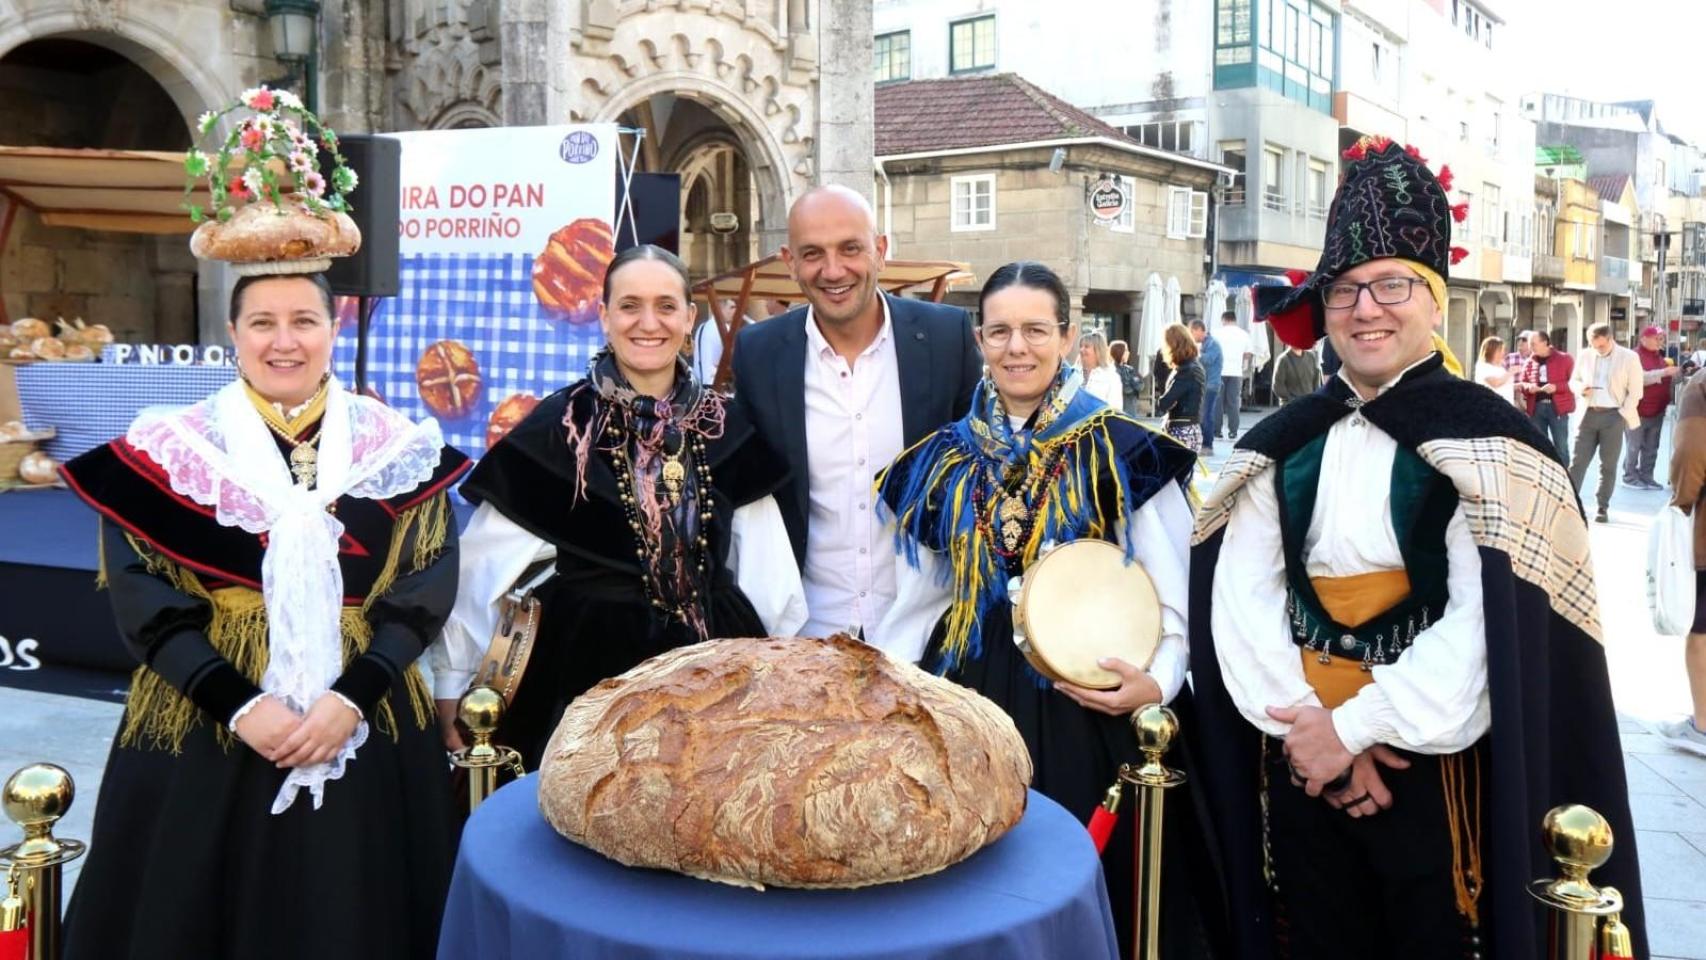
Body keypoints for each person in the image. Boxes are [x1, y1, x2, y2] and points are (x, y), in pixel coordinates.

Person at [1187, 135, 1644, 960]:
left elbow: (1481, 626)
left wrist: (1356, 729)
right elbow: (1243, 600)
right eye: (1347, 291)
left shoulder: (1495, 444)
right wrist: (1317, 739)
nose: (1367, 309)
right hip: (1297, 753)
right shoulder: (1283, 440)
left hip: (1431, 767)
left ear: (1435, 300)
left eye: (1393, 285)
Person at [59, 268, 471, 959]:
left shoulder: (399, 449)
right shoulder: (170, 450)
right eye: (262, 323)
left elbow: (424, 588)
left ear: (335, 330)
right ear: (232, 335)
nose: (285, 342)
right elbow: (145, 599)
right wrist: (244, 708)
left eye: (305, 321)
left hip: (367, 722)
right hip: (205, 722)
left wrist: (352, 698)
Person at [872, 261, 1206, 958]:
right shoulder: (941, 461)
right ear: (980, 339)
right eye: (999, 331)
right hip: (971, 699)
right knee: (972, 882)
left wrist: (1158, 684)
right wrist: (893, 691)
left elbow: (1177, 591)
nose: (1016, 347)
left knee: (1091, 879)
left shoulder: (1126, 450)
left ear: (1067, 336)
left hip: (1089, 703)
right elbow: (920, 598)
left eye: (1034, 330)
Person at [430, 245, 807, 767]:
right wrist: (453, 679)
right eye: (629, 306)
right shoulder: (559, 428)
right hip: (584, 674)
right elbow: (482, 571)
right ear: (604, 316)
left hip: (717, 674)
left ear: (689, 318)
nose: (648, 322)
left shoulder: (727, 427)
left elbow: (769, 573)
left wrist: (774, 680)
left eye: (666, 306)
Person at [731, 185, 980, 639]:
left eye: (850, 248)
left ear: (880, 250)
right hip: (806, 632)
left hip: (923, 629)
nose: (833, 270)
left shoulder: (946, 339)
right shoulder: (758, 353)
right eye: (813, 254)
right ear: (790, 263)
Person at [1665, 369, 1706, 756]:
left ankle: (1703, 725)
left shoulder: (1702, 385)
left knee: (1702, 629)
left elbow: (1691, 452)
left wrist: (1682, 503)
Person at [1568, 323, 1643, 523]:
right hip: (1587, 414)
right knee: (1577, 462)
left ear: (1610, 339)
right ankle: (1568, 503)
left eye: (1601, 346)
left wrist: (1623, 413)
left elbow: (1636, 391)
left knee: (1608, 465)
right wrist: (1580, 388)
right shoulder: (1585, 355)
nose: (1597, 349)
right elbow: (1572, 380)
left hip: (1613, 416)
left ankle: (1602, 507)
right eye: (1593, 346)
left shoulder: (1629, 357)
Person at [1624, 325, 1679, 490]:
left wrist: (1679, 372)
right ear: (1643, 339)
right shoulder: (1633, 356)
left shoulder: (1659, 357)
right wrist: (1663, 372)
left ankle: (1647, 476)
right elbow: (1637, 378)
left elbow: (1666, 378)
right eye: (1657, 338)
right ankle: (1629, 477)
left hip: (1657, 411)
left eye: (1661, 338)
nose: (1660, 341)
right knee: (1634, 446)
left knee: (1652, 447)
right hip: (1637, 410)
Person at [1516, 330, 1574, 462]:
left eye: (1533, 344)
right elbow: (1522, 382)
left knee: (1561, 447)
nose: (1530, 347)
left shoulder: (1565, 359)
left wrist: (1556, 387)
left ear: (1545, 342)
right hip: (1536, 408)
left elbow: (1575, 383)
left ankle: (1563, 479)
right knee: (1539, 446)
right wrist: (1528, 387)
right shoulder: (1529, 361)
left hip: (1557, 408)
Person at [1154, 322, 1206, 452]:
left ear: (1172, 345)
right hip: (1190, 427)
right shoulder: (1194, 365)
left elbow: (1165, 403)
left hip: (1181, 430)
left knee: (1174, 471)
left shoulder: (1185, 371)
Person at [1212, 311, 1253, 439]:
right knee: (1233, 402)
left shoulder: (1216, 333)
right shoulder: (1243, 334)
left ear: (1224, 320)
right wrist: (1242, 362)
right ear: (1234, 320)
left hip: (1218, 371)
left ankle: (1217, 430)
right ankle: (1233, 431)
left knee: (1217, 402)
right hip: (1236, 372)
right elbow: (1248, 353)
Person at [1191, 319, 1224, 454]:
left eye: (1193, 332)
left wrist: (1193, 353)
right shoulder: (1204, 344)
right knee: (1202, 415)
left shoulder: (1213, 344)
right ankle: (1202, 444)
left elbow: (1208, 359)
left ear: (1200, 330)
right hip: (1204, 384)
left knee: (1207, 416)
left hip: (1211, 385)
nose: (1192, 335)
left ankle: (1208, 446)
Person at [1079, 330, 1124, 409]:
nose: (1082, 350)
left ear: (1098, 351)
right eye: (1081, 346)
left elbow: (1115, 410)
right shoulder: (1075, 374)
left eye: (1086, 346)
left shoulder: (1111, 378)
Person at [1473, 335, 1514, 405]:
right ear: (1491, 351)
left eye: (1503, 350)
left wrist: (1519, 385)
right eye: (1500, 350)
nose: (1503, 353)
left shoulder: (1501, 367)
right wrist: (1510, 372)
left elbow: (1503, 384)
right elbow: (1495, 383)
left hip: (1505, 405)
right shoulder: (1483, 366)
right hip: (1491, 405)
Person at [1109, 338, 1143, 418]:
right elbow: (1126, 389)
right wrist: (1132, 383)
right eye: (1126, 350)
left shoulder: (1129, 369)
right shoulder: (1112, 370)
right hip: (1120, 411)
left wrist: (1130, 382)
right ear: (1119, 352)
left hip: (1131, 410)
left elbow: (1140, 386)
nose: (1128, 353)